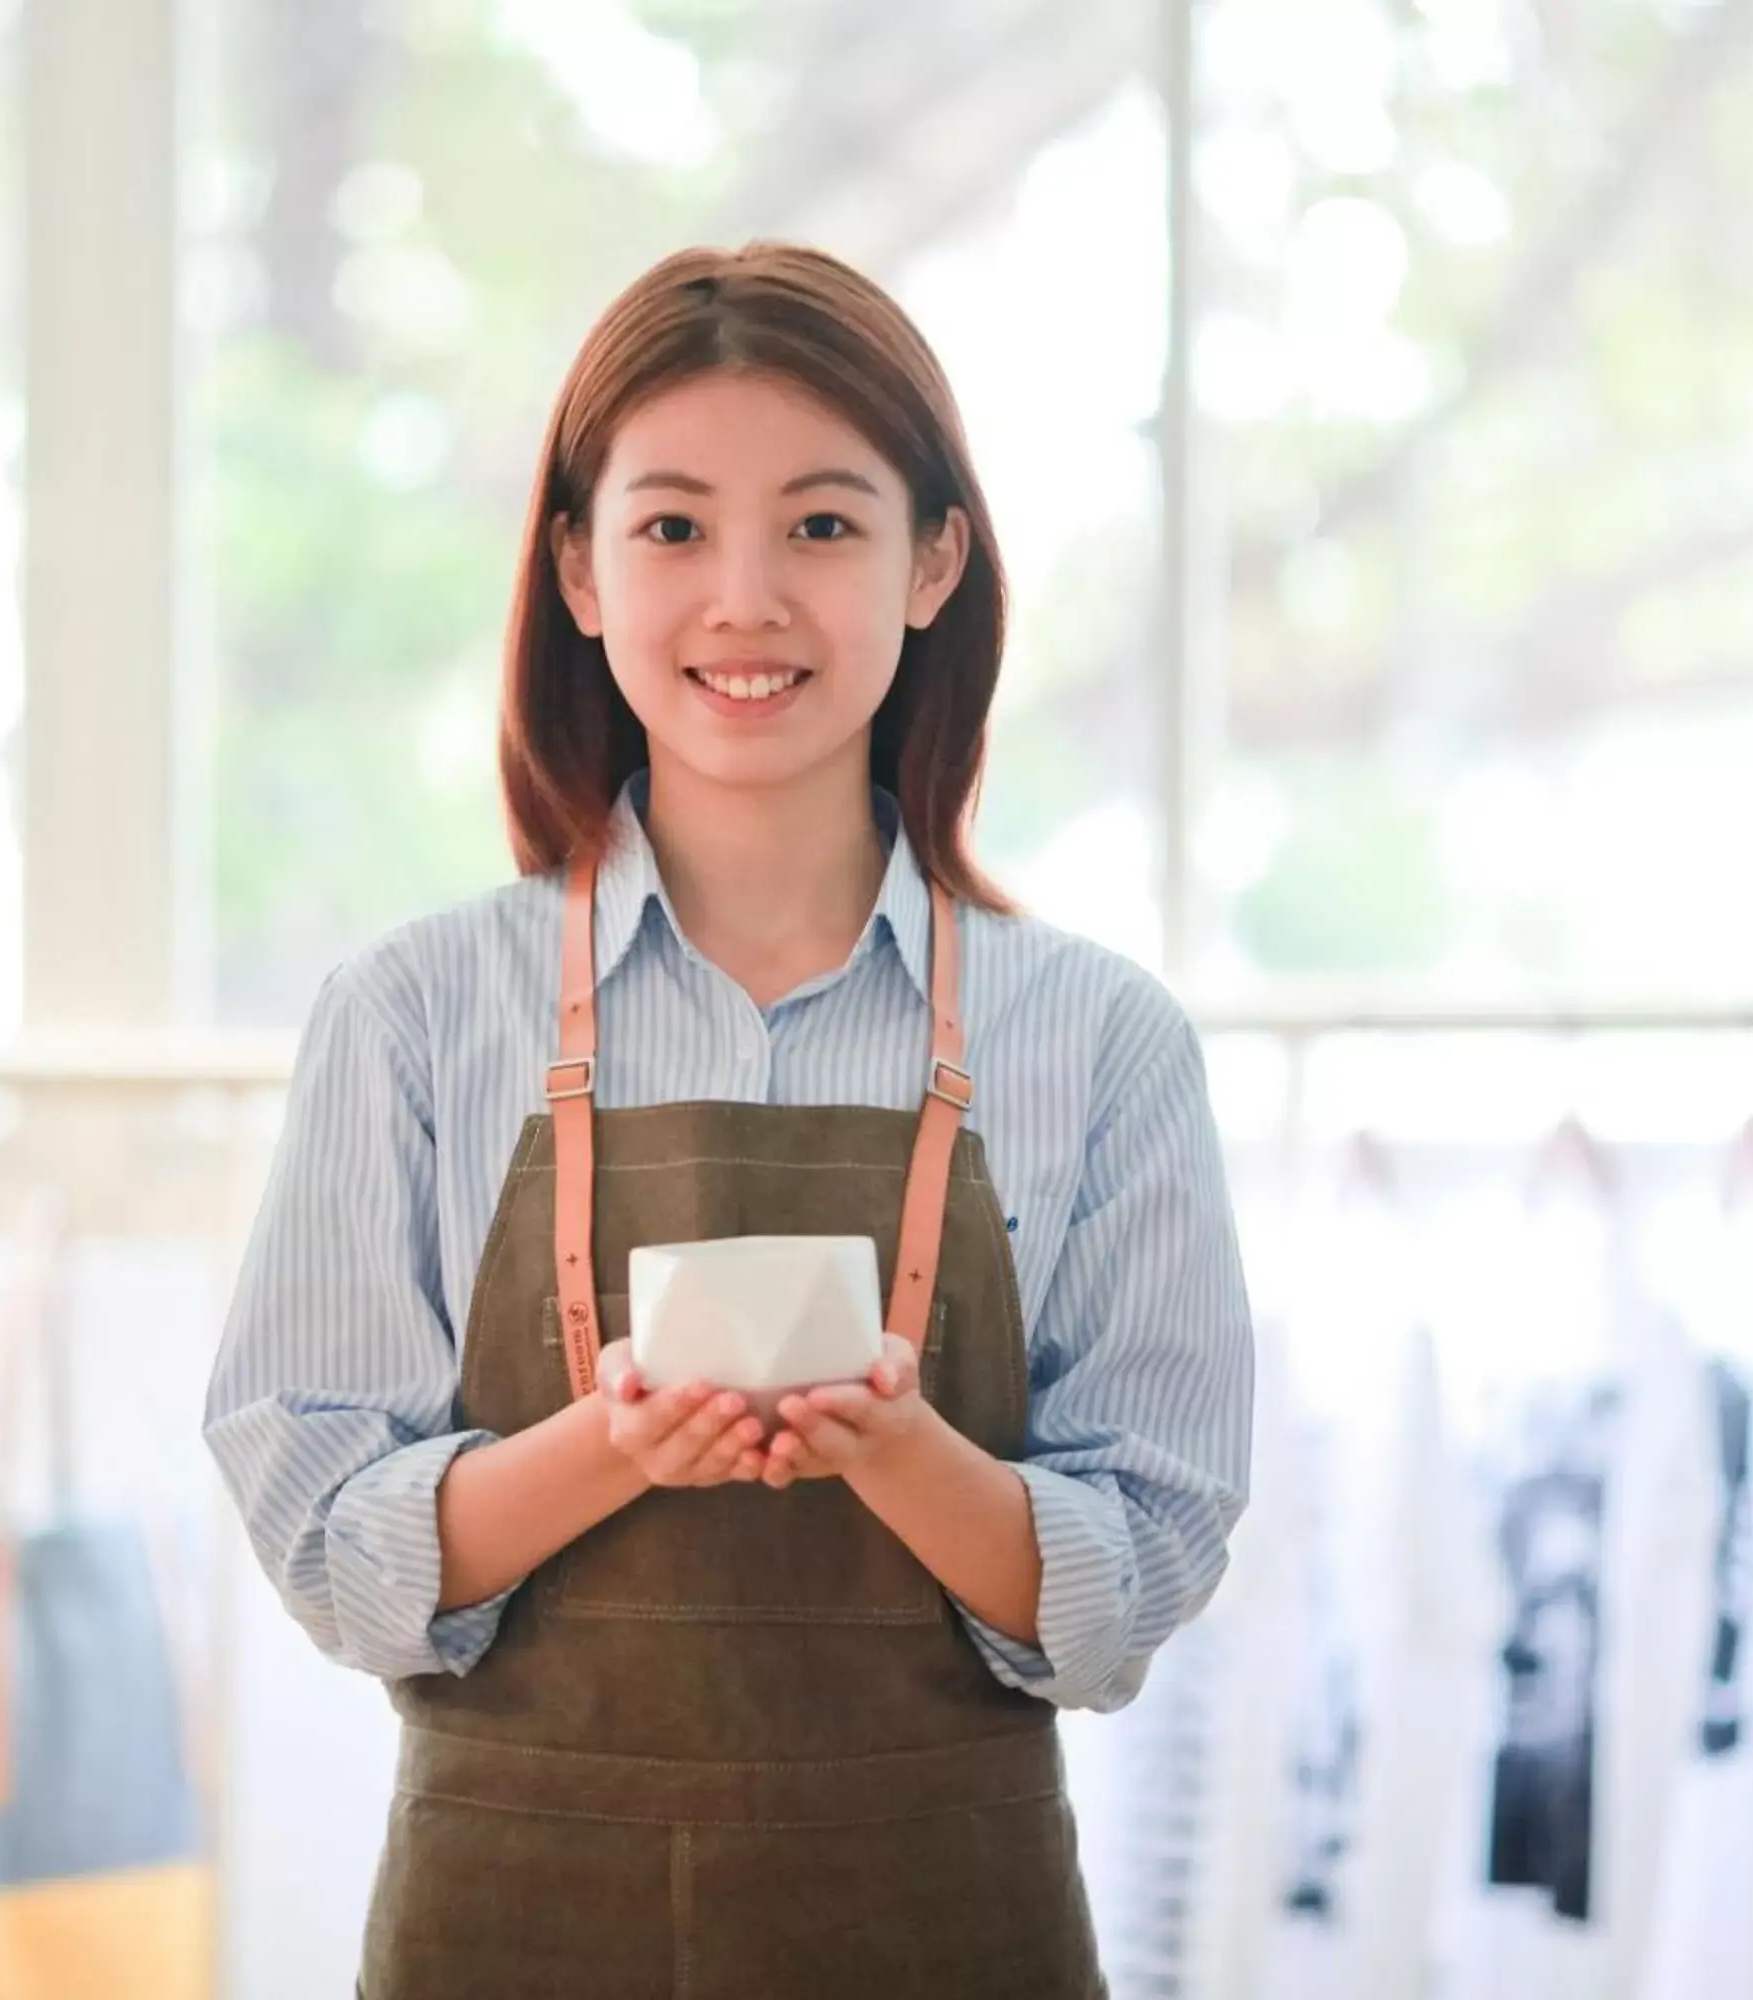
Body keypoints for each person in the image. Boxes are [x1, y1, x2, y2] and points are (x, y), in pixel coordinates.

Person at [204, 240, 1256, 1999]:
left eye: (825, 526)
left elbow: (1140, 1576)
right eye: (674, 527)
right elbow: (324, 1544)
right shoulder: (411, 1016)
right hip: (511, 1923)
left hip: (948, 1922)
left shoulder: (1103, 1040)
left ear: (934, 560)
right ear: (579, 570)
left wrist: (900, 1454)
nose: (745, 599)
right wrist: (613, 1445)